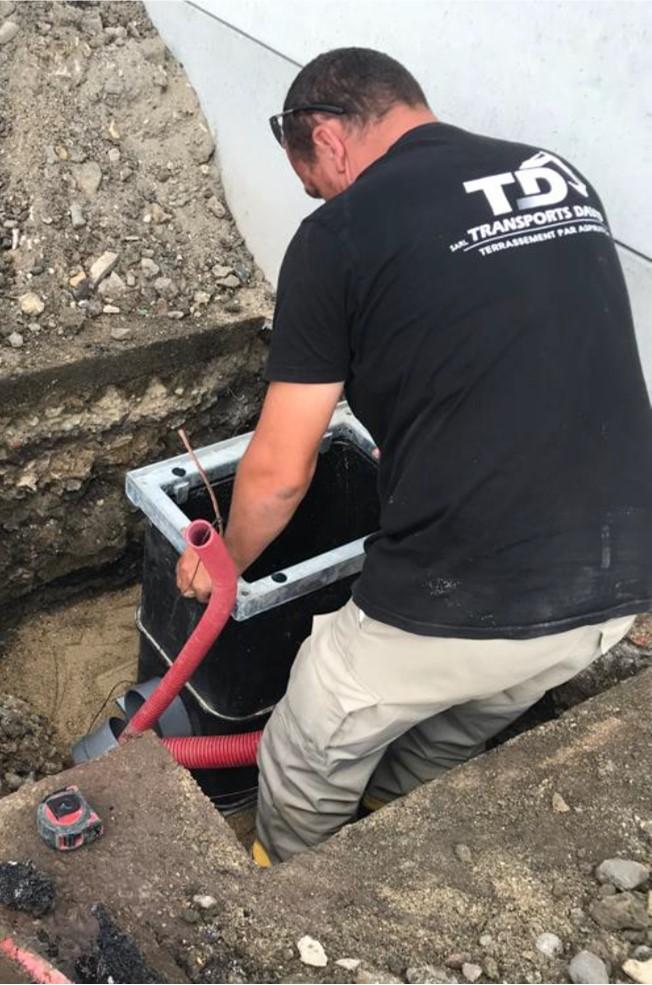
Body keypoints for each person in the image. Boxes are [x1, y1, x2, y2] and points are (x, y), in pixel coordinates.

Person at [177, 48, 652, 865]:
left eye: (316, 186)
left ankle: (292, 880)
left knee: (312, 729)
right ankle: (389, 816)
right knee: (469, 712)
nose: (323, 202)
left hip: (471, 586)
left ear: (327, 139)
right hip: (622, 581)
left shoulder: (341, 234)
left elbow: (280, 472)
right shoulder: (555, 176)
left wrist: (227, 566)